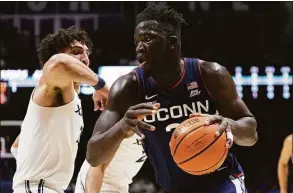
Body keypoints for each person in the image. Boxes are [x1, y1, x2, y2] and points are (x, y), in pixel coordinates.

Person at [86, 4, 258, 193]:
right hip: (173, 187)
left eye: (148, 39)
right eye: (136, 41)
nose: (139, 47)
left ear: (172, 43)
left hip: (221, 179)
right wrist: (122, 127)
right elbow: (93, 156)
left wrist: (229, 125)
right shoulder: (127, 87)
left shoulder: (210, 74)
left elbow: (251, 134)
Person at [12, 26, 109, 193]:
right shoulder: (52, 85)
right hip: (37, 188)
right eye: (76, 51)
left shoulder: (67, 101)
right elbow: (59, 62)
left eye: (87, 53)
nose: (85, 58)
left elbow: (17, 146)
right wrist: (102, 87)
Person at [75, 133, 146, 193]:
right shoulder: (122, 121)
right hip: (100, 183)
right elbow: (98, 165)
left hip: (121, 185)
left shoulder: (154, 128)